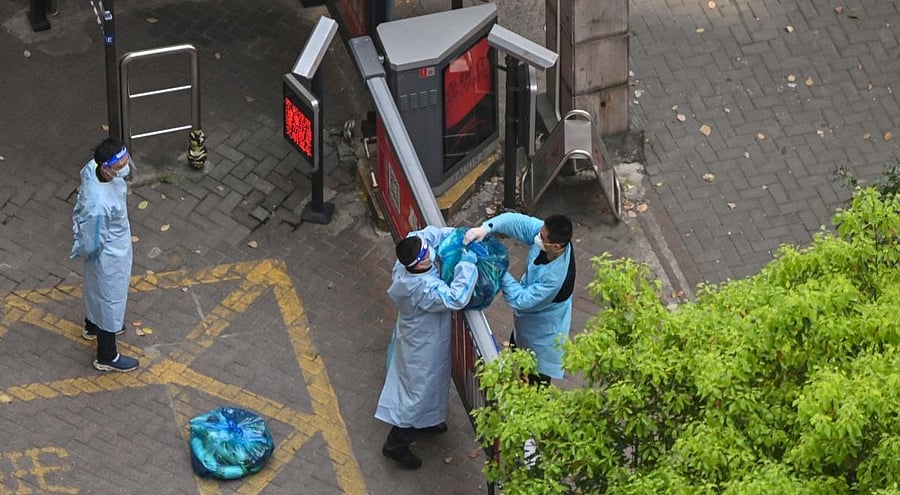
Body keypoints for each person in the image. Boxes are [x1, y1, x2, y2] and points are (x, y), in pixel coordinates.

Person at [376, 226, 478, 469]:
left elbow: (426, 234)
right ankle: (397, 443)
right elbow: (456, 297)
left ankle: (429, 420)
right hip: (423, 345)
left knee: (430, 385)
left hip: (420, 338)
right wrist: (467, 263)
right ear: (420, 265)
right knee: (418, 393)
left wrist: (457, 234)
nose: (430, 253)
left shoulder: (407, 262)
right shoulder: (423, 288)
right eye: (426, 255)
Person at [465, 213, 575, 385]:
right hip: (527, 324)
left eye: (542, 237)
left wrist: (497, 268)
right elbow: (516, 222)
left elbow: (520, 299)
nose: (537, 237)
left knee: (534, 381)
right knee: (517, 351)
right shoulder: (546, 236)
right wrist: (486, 228)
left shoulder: (555, 278)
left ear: (556, 246)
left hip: (543, 334)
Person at [70, 138, 139, 372]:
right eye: (120, 166)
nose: (125, 167)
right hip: (109, 255)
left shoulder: (93, 168)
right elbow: (92, 239)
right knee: (110, 299)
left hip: (109, 249)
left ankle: (91, 326)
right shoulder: (99, 203)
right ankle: (107, 355)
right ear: (106, 168)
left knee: (94, 290)